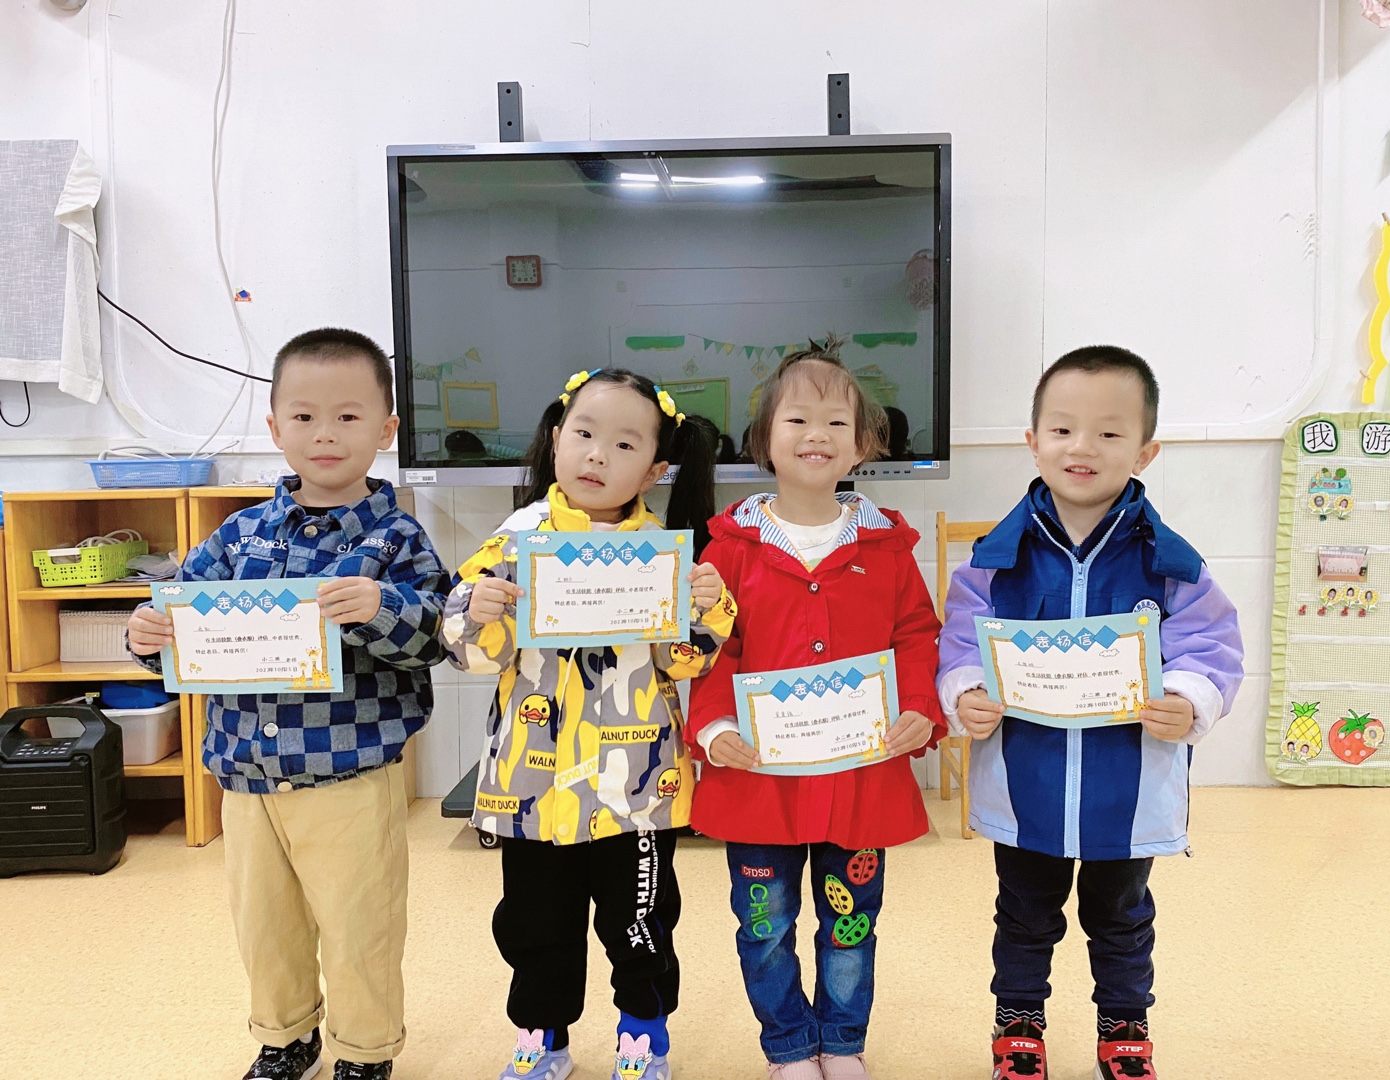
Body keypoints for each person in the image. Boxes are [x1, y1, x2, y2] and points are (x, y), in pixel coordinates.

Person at [127, 328, 452, 1080]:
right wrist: (149, 635)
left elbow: (439, 635)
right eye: (304, 416)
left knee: (360, 925)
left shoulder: (397, 538)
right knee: (263, 925)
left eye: (347, 416)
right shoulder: (238, 534)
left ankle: (364, 1051)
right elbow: (181, 622)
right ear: (276, 428)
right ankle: (284, 1037)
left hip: (348, 772)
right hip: (246, 773)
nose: (324, 434)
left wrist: (381, 606)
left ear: (385, 430)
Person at [936, 345, 1244, 1080]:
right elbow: (961, 637)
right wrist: (966, 691)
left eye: (1108, 433)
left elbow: (1210, 643)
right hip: (1026, 780)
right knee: (1023, 914)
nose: (1082, 447)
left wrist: (1189, 697)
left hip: (1126, 786)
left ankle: (1124, 1026)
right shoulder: (994, 557)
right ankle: (1017, 1024)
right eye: (1063, 429)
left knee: (1122, 917)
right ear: (1032, 440)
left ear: (1145, 451)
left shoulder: (1171, 561)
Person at [444, 368, 737, 1080]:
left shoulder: (666, 554)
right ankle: (541, 1033)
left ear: (656, 469)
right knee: (534, 922)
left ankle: (643, 1034)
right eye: (583, 434)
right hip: (530, 787)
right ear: (556, 440)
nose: (597, 455)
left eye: (625, 444)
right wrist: (476, 612)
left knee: (640, 920)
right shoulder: (511, 543)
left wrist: (706, 609)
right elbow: (468, 652)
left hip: (636, 788)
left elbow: (683, 663)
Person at [684, 340, 945, 1080]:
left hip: (858, 778)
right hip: (759, 780)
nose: (816, 435)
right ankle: (789, 1047)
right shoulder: (728, 550)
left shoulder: (886, 546)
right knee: (764, 926)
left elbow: (915, 636)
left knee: (850, 922)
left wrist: (919, 706)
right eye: (797, 419)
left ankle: (842, 1041)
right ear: (763, 439)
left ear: (863, 444)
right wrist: (714, 726)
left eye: (837, 422)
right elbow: (713, 648)